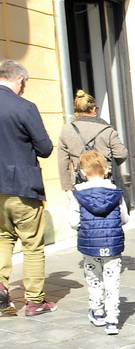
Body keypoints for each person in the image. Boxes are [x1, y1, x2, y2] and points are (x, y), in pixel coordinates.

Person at [0, 60, 55, 315]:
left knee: (2, 238)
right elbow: (44, 148)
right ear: (19, 79)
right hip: (23, 186)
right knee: (32, 244)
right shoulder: (24, 107)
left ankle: (1, 289)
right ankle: (34, 301)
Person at [68, 150, 129, 335]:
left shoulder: (76, 195)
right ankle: (112, 319)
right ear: (106, 169)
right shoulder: (116, 193)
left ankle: (98, 312)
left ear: (83, 172)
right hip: (112, 245)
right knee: (112, 281)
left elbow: (73, 222)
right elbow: (124, 218)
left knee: (94, 279)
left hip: (89, 246)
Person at [57, 90, 128, 199]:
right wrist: (108, 165)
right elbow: (122, 154)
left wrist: (67, 188)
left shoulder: (66, 131)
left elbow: (63, 162)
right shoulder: (107, 130)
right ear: (93, 109)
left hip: (80, 183)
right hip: (105, 181)